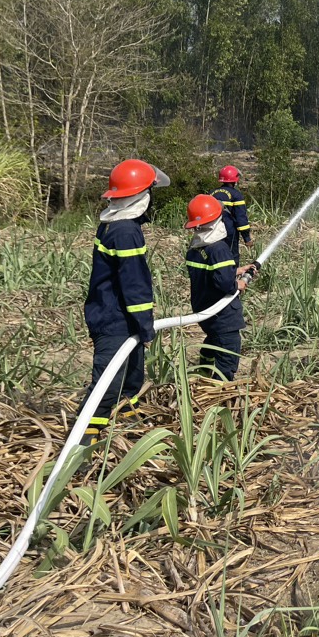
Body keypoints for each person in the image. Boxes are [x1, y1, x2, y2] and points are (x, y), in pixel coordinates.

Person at [81, 158, 169, 446]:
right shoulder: (125, 231)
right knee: (107, 385)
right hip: (114, 319)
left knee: (132, 378)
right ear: (142, 196)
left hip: (117, 315)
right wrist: (146, 326)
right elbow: (134, 283)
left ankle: (128, 432)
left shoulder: (114, 223)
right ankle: (82, 445)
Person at [185, 193, 255, 382]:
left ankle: (203, 371)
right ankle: (219, 388)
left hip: (205, 310)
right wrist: (238, 284)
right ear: (217, 219)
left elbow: (210, 275)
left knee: (213, 339)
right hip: (223, 315)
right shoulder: (219, 249)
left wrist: (235, 270)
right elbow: (224, 283)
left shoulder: (195, 249)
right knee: (228, 350)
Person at [211, 165, 253, 263]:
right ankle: (231, 276)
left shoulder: (211, 193)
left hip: (212, 230)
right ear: (235, 180)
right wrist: (247, 238)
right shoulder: (236, 195)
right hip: (229, 231)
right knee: (231, 257)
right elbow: (241, 219)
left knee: (215, 256)